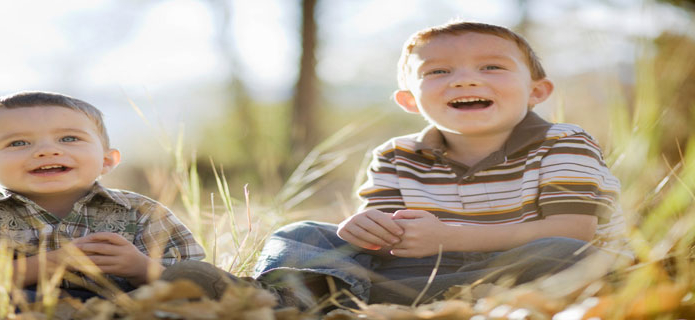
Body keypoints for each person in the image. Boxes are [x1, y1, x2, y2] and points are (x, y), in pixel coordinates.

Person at [250, 21, 628, 308]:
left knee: (566, 253)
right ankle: (287, 298)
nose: (464, 81)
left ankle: (350, 301)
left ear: (536, 91)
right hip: (422, 271)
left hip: (524, 265)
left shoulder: (563, 143)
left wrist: (450, 236)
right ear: (409, 100)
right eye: (438, 72)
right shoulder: (396, 155)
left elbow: (574, 229)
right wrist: (365, 229)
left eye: (492, 67)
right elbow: (383, 239)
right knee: (303, 234)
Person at [0, 91, 205, 319]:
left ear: (107, 160)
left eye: (69, 138)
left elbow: (193, 280)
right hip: (18, 309)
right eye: (18, 143)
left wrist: (140, 267)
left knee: (187, 302)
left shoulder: (141, 212)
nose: (48, 150)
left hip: (118, 308)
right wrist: (56, 261)